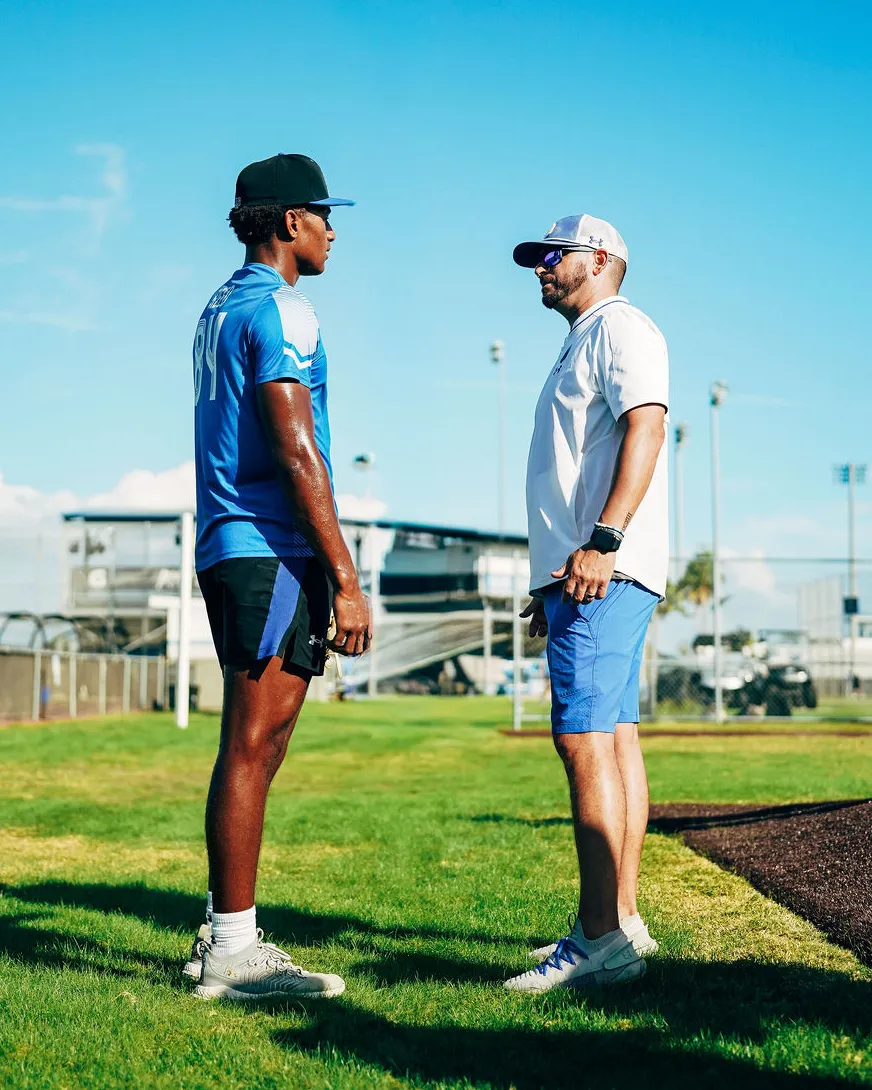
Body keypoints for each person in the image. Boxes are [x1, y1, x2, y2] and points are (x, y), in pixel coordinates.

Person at [182, 154, 372, 1001]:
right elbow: (296, 447)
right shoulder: (286, 309)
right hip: (268, 548)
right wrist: (346, 575)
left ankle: (226, 929)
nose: (334, 230)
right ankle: (232, 951)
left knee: (259, 744)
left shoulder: (219, 306)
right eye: (325, 214)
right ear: (290, 220)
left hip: (232, 542)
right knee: (254, 746)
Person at [503, 215, 669, 993]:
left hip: (604, 566)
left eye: (553, 254)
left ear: (601, 259)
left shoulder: (619, 327)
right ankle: (621, 920)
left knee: (585, 742)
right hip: (586, 573)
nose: (540, 267)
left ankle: (600, 938)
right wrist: (557, 573)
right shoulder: (584, 337)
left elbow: (647, 425)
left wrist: (604, 539)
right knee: (617, 739)